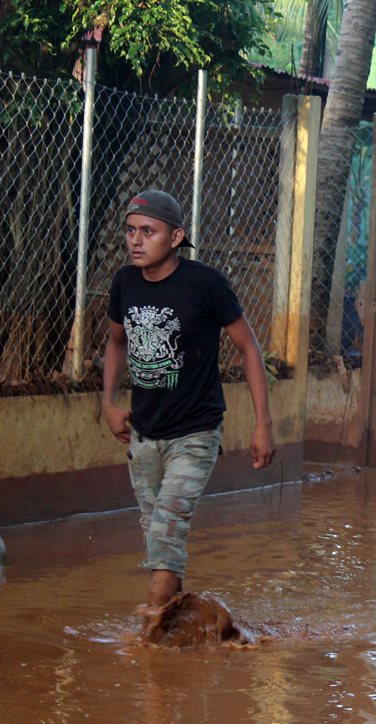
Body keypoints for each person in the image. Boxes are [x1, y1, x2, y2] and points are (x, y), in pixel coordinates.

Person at [101, 189, 276, 608]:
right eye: (130, 231)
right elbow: (115, 341)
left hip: (196, 431)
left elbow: (249, 348)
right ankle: (185, 626)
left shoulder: (205, 284)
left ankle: (150, 635)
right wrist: (107, 402)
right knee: (157, 530)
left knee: (167, 527)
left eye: (149, 231)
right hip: (144, 432)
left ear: (176, 237)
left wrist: (262, 424)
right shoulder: (124, 283)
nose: (136, 241)